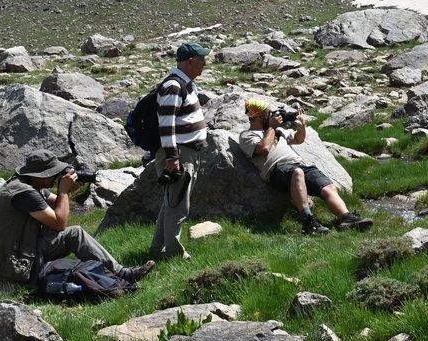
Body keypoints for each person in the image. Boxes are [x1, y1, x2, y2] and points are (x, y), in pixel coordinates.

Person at [0, 149, 153, 285]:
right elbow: (60, 223)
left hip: (0, 254)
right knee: (75, 234)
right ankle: (123, 274)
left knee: (71, 233)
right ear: (40, 175)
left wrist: (68, 191)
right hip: (5, 264)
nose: (54, 177)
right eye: (52, 174)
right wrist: (64, 191)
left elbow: (56, 204)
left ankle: (118, 272)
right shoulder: (24, 193)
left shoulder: (24, 183)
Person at [239, 99, 372, 235]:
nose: (274, 115)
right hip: (276, 170)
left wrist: (301, 127)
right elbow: (264, 148)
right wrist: (271, 127)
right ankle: (308, 222)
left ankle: (347, 218)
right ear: (259, 116)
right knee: (297, 173)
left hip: (298, 165)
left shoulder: (279, 131)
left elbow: (298, 139)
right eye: (269, 113)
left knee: (328, 187)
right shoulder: (247, 136)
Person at [149, 41, 210, 260]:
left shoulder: (185, 84)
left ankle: (157, 249)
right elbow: (166, 125)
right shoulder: (174, 86)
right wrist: (173, 157)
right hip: (180, 155)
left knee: (171, 204)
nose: (204, 63)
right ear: (191, 61)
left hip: (186, 152)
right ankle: (174, 254)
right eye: (202, 60)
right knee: (178, 207)